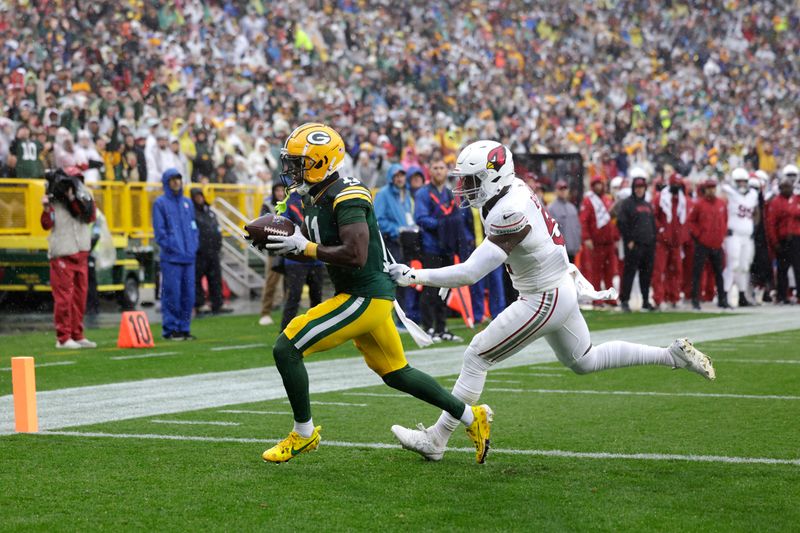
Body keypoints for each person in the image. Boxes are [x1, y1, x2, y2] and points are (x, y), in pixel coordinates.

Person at [388, 140, 715, 463]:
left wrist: (415, 276)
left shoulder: (508, 210)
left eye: (471, 181)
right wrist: (450, 275)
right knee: (584, 360)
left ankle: (437, 438)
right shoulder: (512, 189)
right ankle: (670, 356)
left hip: (543, 296)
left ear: (494, 177)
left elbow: (472, 272)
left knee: (476, 356)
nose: (464, 188)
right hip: (559, 285)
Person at [259, 123, 491, 464]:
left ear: (322, 162)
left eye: (299, 162)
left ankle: (304, 434)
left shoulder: (347, 194)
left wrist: (304, 247)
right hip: (364, 293)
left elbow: (354, 253)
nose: (292, 169)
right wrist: (283, 245)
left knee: (287, 346)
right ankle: (473, 417)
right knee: (396, 372)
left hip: (363, 295)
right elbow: (319, 249)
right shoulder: (315, 195)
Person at [40, 167, 97, 349]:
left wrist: (74, 198)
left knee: (80, 297)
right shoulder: (53, 200)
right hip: (62, 253)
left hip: (81, 251)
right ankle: (63, 338)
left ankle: (77, 334)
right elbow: (46, 224)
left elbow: (90, 217)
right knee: (64, 298)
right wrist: (46, 207)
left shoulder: (85, 199)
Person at [414, 159, 470, 342]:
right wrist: (443, 225)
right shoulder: (423, 193)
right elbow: (420, 218)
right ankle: (428, 327)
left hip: (446, 248)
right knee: (430, 288)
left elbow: (459, 217)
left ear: (447, 171)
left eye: (441, 168)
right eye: (435, 168)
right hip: (430, 247)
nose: (438, 171)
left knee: (445, 288)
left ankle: (442, 327)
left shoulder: (450, 194)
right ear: (429, 171)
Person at [152, 168, 199, 340]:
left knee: (188, 295)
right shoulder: (160, 203)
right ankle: (171, 329)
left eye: (178, 179)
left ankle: (184, 328)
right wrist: (173, 247)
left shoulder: (188, 203)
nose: (176, 182)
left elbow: (194, 227)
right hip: (171, 259)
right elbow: (160, 232)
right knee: (172, 294)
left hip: (189, 258)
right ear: (166, 182)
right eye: (172, 179)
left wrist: (193, 245)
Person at [278, 190, 325, 330]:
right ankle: (285, 332)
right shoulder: (289, 201)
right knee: (294, 297)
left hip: (316, 257)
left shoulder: (319, 196)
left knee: (316, 299)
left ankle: (316, 331)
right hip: (297, 260)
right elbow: (283, 227)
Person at [688, 179, 730, 310]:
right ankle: (695, 299)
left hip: (717, 244)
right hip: (703, 244)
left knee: (719, 273)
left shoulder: (721, 204)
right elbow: (691, 222)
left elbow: (725, 220)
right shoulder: (699, 205)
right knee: (698, 272)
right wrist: (699, 235)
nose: (711, 190)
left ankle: (722, 299)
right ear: (705, 190)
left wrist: (721, 235)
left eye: (713, 188)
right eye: (709, 188)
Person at [617, 175, 657, 312]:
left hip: (648, 245)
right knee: (629, 273)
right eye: (637, 187)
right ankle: (625, 300)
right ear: (633, 188)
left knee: (646, 275)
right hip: (635, 245)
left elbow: (652, 224)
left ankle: (645, 300)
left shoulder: (647, 205)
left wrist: (653, 241)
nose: (639, 190)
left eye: (642, 187)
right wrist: (629, 240)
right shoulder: (627, 203)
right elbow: (621, 223)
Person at [721, 168, 760, 306]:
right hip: (733, 235)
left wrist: (753, 226)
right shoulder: (728, 192)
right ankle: (724, 294)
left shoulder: (753, 195)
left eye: (744, 182)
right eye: (739, 182)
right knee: (733, 265)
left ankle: (742, 295)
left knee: (744, 266)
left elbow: (755, 213)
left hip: (747, 236)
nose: (742, 184)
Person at [190, 189, 230, 315]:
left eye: (200, 196)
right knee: (197, 279)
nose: (199, 199)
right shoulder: (192, 213)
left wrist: (218, 245)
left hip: (213, 251)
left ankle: (217, 303)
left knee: (215, 278)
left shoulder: (210, 212)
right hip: (200, 253)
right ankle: (200, 304)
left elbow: (216, 228)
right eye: (196, 197)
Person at [580, 175, 619, 306]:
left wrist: (615, 236)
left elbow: (610, 220)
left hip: (608, 241)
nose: (598, 186)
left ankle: (610, 298)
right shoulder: (588, 200)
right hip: (596, 243)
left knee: (609, 272)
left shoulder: (607, 199)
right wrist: (587, 238)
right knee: (595, 273)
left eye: (600, 184)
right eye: (596, 184)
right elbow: (584, 220)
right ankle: (597, 299)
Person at [652, 173, 687, 309]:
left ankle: (674, 296)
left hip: (676, 241)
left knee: (676, 270)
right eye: (675, 184)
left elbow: (682, 220)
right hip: (662, 241)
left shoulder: (681, 200)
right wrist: (661, 231)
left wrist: (680, 236)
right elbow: (654, 217)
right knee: (659, 270)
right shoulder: (660, 198)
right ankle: (659, 298)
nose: (677, 187)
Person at [767, 179, 799, 304]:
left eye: (788, 187)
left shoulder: (796, 199)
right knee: (782, 270)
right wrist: (775, 242)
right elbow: (771, 223)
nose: (787, 190)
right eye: (784, 187)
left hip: (796, 238)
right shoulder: (775, 203)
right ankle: (782, 295)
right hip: (783, 239)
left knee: (798, 268)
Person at [258, 183, 286, 326]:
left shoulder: (290, 203)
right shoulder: (268, 205)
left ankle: (289, 313)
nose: (280, 193)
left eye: (282, 190)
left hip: (289, 248)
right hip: (274, 249)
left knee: (291, 283)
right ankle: (265, 312)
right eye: (277, 190)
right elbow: (262, 225)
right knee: (271, 282)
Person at [547, 180, 580, 262]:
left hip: (572, 249)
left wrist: (577, 244)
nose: (563, 191)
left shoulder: (572, 207)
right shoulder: (551, 208)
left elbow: (577, 227)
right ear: (556, 191)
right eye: (560, 189)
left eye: (565, 189)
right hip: (559, 251)